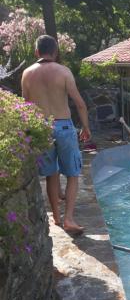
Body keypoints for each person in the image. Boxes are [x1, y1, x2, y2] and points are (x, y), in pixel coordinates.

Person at [21, 35, 91, 235]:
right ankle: (69, 218)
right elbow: (79, 103)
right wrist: (85, 127)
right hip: (64, 127)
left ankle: (57, 218)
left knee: (51, 174)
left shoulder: (27, 74)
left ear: (36, 52)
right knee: (72, 174)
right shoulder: (64, 72)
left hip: (41, 128)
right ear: (55, 51)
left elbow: (25, 107)